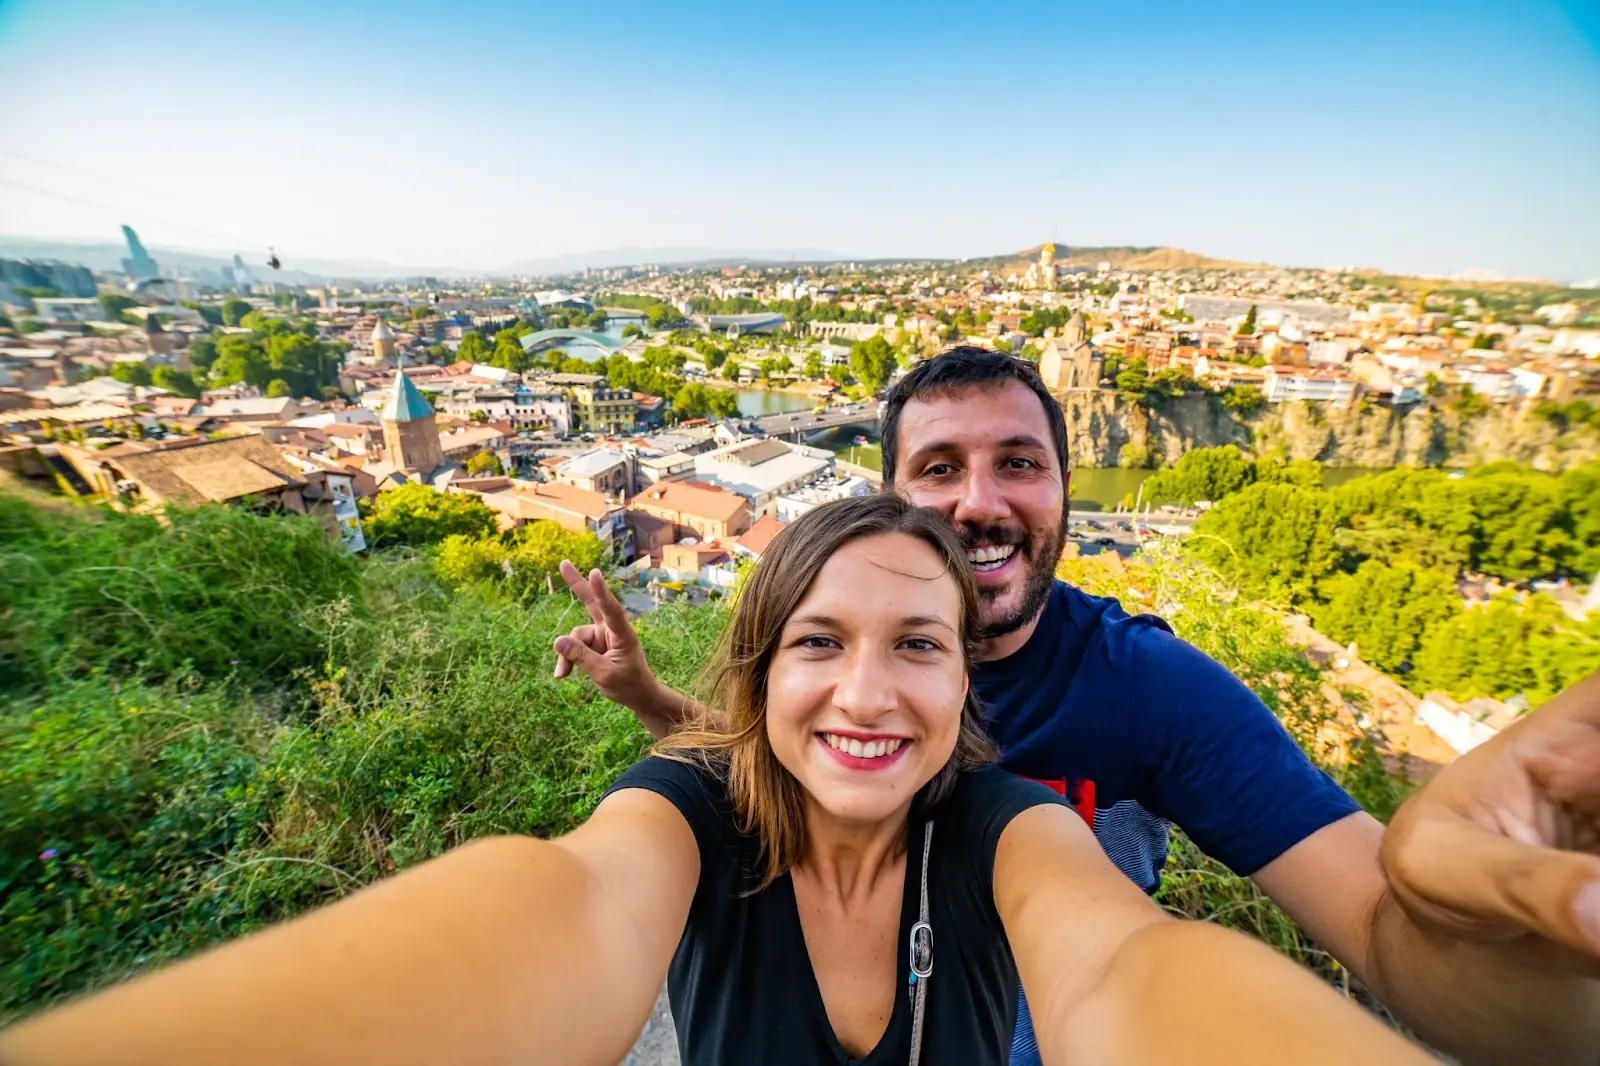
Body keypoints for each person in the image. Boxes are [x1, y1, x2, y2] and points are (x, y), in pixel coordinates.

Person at [0, 494, 1434, 1066]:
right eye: (821, 640)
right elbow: (562, 900)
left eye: (918, 647)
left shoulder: (1006, 830)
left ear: (963, 688)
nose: (870, 689)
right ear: (762, 670)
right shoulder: (686, 810)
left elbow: (1132, 968)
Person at [552, 347, 1600, 1066]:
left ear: (1061, 493)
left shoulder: (1143, 683)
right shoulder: (829, 657)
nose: (980, 501)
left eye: (1020, 464)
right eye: (938, 469)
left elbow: (1370, 921)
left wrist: (1530, 950)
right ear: (887, 503)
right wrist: (648, 697)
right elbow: (740, 773)